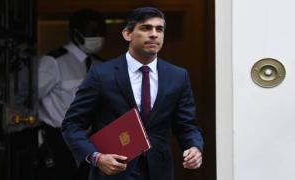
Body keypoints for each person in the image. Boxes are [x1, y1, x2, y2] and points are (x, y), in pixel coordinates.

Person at [61, 7, 204, 180]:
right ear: (127, 34)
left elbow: (187, 126)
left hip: (159, 171)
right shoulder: (101, 74)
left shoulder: (178, 76)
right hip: (113, 172)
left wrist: (194, 148)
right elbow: (72, 125)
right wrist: (96, 157)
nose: (154, 34)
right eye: (146, 28)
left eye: (159, 29)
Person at [37, 9, 106, 180]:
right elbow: (29, 99)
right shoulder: (54, 62)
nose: (96, 37)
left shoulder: (99, 64)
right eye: (91, 32)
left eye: (100, 32)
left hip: (89, 140)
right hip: (59, 141)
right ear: (75, 33)